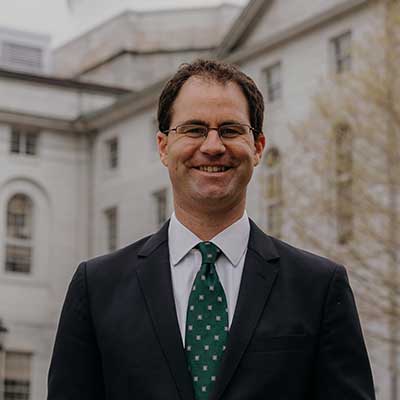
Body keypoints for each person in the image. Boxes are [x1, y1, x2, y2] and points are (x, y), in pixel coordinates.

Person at [48, 59, 375, 400]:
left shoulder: (319, 288)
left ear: (258, 147)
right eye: (194, 129)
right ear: (163, 146)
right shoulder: (98, 288)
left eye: (231, 130)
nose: (213, 146)